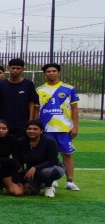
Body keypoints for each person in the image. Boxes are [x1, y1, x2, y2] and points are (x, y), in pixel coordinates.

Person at [36, 63, 80, 191]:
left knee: (67, 154)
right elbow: (36, 109)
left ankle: (70, 181)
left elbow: (74, 109)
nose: (51, 73)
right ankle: (51, 179)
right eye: (48, 71)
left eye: (53, 71)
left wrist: (75, 126)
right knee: (47, 155)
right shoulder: (39, 90)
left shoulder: (69, 88)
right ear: (45, 74)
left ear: (58, 73)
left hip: (64, 128)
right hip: (46, 128)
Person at [15, 120, 65, 197]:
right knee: (30, 192)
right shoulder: (20, 142)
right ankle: (41, 184)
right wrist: (24, 181)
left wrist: (35, 167)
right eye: (29, 129)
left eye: (35, 129)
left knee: (45, 172)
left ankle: (48, 186)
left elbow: (52, 160)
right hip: (32, 170)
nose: (31, 131)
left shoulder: (50, 141)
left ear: (41, 131)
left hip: (52, 167)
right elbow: (18, 162)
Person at [0, 58, 39, 138]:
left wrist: (31, 120)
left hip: (22, 123)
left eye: (18, 68)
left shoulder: (28, 84)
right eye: (13, 68)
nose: (15, 70)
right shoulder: (1, 84)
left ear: (23, 69)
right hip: (4, 124)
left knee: (20, 147)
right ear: (8, 68)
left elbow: (31, 102)